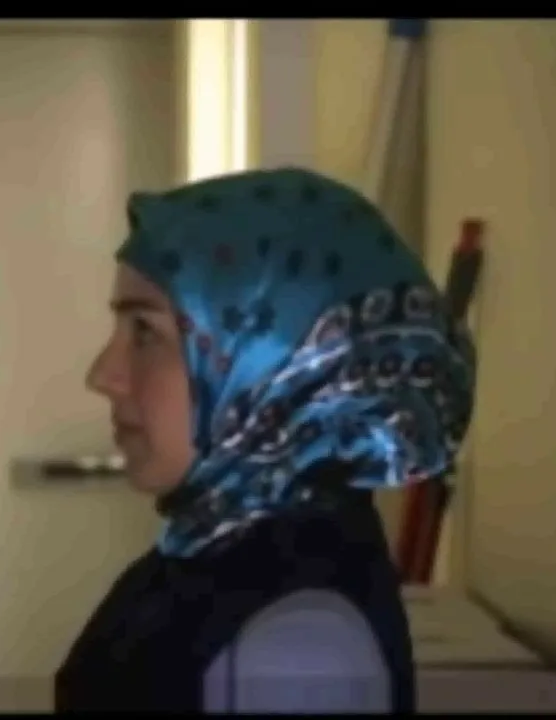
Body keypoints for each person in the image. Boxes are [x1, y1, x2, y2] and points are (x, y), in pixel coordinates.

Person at [55, 167, 476, 713]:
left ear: (269, 363)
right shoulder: (207, 550)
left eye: (145, 333)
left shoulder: (299, 648)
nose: (103, 374)